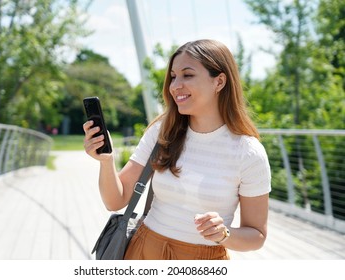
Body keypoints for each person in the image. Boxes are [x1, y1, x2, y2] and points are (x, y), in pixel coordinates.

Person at [83, 39, 271, 260]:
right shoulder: (162, 132)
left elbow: (256, 235)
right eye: (173, 76)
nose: (174, 86)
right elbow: (115, 201)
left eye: (187, 75)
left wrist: (224, 234)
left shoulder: (248, 153)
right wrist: (106, 161)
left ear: (219, 82)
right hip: (144, 252)